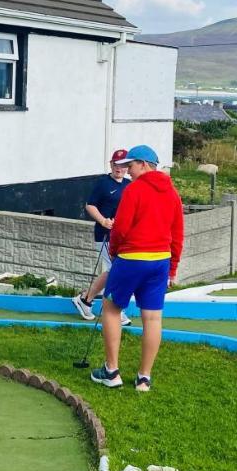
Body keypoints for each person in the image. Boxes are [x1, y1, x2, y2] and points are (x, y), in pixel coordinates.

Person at [90, 145, 184, 393]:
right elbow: (177, 234)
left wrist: (114, 253)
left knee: (111, 309)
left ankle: (111, 372)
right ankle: (144, 378)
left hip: (132, 257)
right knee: (152, 317)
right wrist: (172, 269)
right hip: (160, 260)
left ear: (144, 164)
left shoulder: (134, 190)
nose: (127, 170)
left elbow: (120, 229)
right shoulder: (172, 193)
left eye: (130, 165)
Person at [73, 149, 132, 327]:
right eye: (115, 164)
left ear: (127, 167)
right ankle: (115, 309)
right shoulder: (103, 183)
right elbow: (90, 205)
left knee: (113, 271)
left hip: (121, 236)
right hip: (105, 235)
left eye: (122, 165)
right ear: (111, 164)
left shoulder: (129, 185)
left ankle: (85, 299)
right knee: (116, 270)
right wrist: (103, 221)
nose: (118, 168)